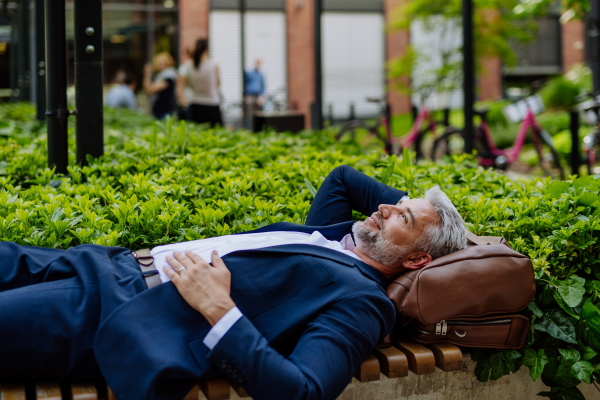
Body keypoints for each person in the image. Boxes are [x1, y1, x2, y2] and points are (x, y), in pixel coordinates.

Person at [0, 166, 466, 400]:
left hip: (114, 312)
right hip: (103, 266)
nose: (385, 208)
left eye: (401, 214)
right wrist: (405, 213)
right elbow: (344, 180)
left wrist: (219, 309)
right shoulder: (334, 236)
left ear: (418, 258)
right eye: (394, 203)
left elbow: (302, 391)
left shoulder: (361, 301)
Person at [177, 39, 223, 127]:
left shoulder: (187, 66)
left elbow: (181, 86)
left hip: (196, 103)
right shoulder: (213, 65)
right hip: (212, 103)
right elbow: (218, 84)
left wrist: (183, 100)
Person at [143, 52, 178, 119]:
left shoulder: (169, 74)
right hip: (159, 110)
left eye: (163, 63)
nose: (161, 65)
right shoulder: (159, 76)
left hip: (166, 110)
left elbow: (151, 89)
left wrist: (147, 75)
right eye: (159, 63)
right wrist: (147, 75)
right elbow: (147, 90)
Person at [243, 57, 266, 127]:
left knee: (259, 114)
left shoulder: (261, 75)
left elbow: (263, 86)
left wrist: (263, 97)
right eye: (256, 62)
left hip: (258, 96)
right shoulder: (249, 73)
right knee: (249, 114)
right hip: (250, 96)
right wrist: (246, 95)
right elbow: (245, 84)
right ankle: (249, 128)